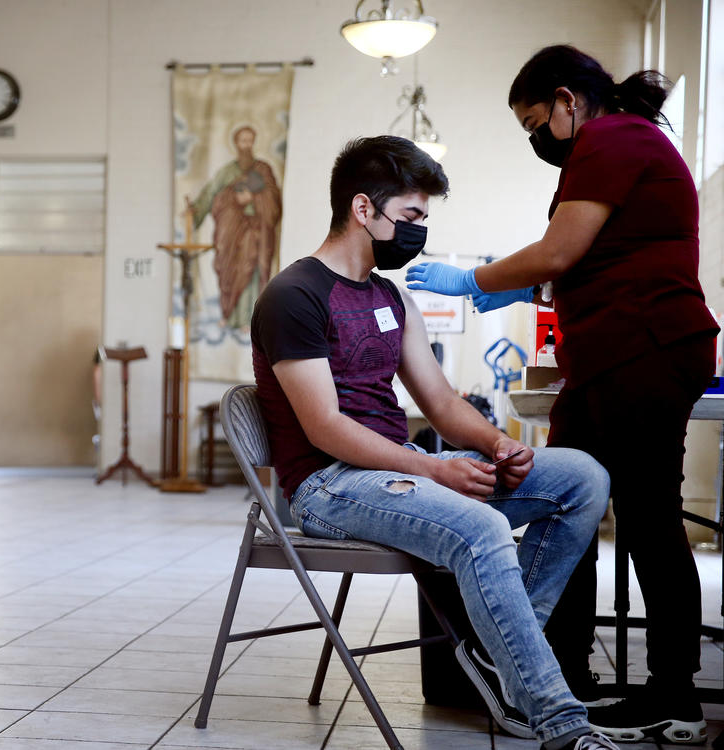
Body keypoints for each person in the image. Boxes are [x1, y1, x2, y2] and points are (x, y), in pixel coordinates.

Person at [251, 134, 617, 750]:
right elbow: (326, 429)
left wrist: (499, 446)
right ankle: (561, 721)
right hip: (329, 485)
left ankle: (495, 647)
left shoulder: (390, 297)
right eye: (412, 217)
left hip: (399, 472)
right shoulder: (294, 297)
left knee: (582, 478)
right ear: (363, 209)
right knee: (481, 529)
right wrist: (432, 471)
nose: (419, 231)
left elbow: (444, 406)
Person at [405, 45, 719, 745]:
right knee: (567, 497)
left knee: (646, 520)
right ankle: (562, 678)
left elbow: (558, 251)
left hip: (645, 349)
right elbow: (586, 259)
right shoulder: (615, 145)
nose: (534, 138)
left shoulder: (614, 136)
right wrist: (522, 286)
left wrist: (474, 281)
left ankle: (674, 694)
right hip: (612, 357)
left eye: (533, 121)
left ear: (568, 101)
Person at [190, 125, 282, 329]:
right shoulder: (227, 171)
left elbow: (274, 199)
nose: (246, 145)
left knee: (252, 269)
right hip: (232, 231)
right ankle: (231, 316)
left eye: (250, 140)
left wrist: (255, 197)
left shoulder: (263, 169)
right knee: (230, 269)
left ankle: (250, 318)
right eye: (242, 141)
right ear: (236, 144)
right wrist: (196, 210)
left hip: (257, 231)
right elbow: (211, 192)